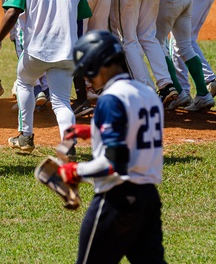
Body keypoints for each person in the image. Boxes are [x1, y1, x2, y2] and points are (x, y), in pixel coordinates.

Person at [63, 30, 165, 263]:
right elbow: (135, 130)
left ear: (105, 63)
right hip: (148, 198)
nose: (88, 78)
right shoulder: (147, 93)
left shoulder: (111, 98)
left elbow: (114, 162)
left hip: (117, 200)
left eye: (90, 69)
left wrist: (75, 171)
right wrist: (95, 131)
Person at [0, 0, 92, 153]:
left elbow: (12, 12)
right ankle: (69, 144)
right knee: (61, 100)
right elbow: (81, 17)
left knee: (25, 82)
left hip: (37, 51)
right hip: (67, 51)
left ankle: (25, 136)